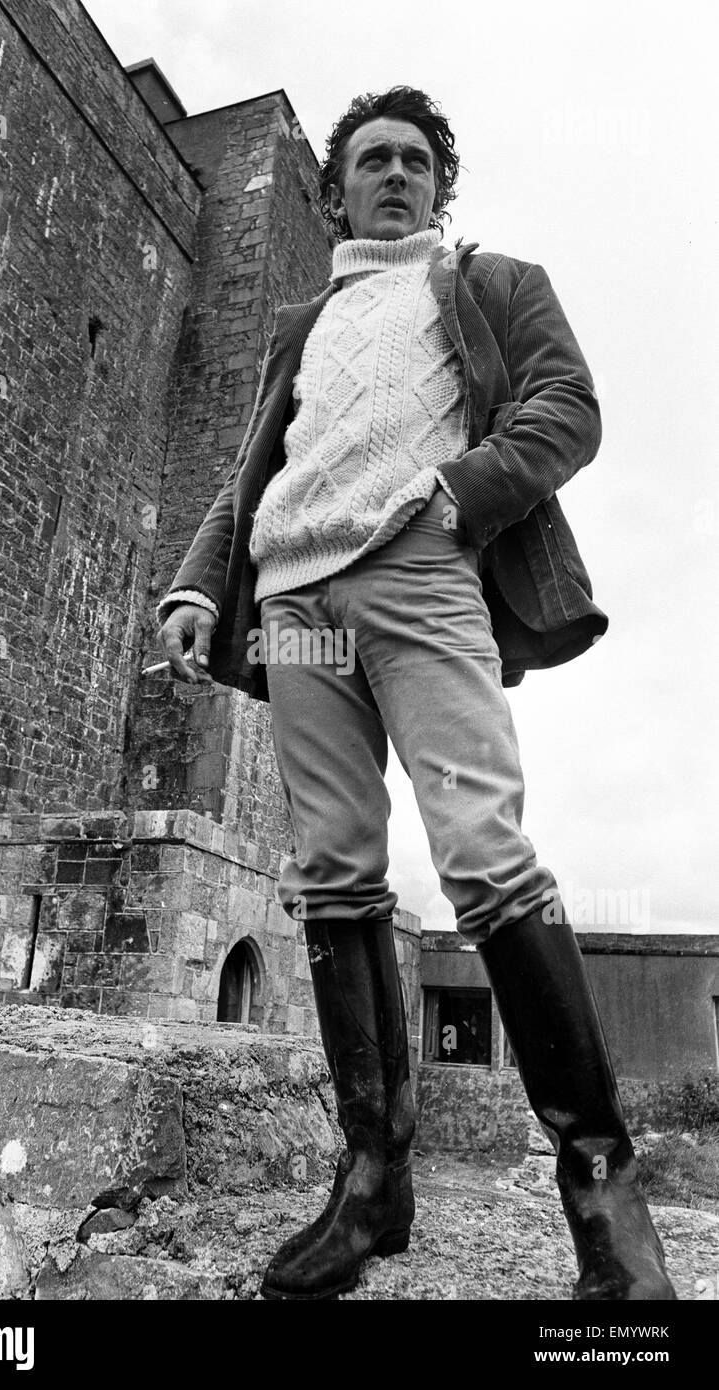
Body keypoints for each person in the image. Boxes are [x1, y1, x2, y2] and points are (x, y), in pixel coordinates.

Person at [154, 86, 675, 1302]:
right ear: (332, 190)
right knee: (331, 874)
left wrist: (452, 496)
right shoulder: (302, 323)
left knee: (483, 853)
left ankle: (603, 1202)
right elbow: (252, 470)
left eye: (414, 160)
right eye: (369, 160)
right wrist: (196, 583)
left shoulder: (489, 284)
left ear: (440, 185)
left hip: (416, 583)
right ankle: (370, 1182)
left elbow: (567, 410)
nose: (393, 174)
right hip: (294, 608)